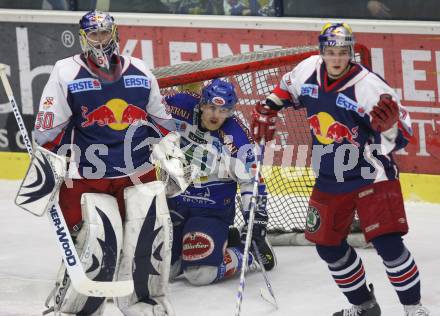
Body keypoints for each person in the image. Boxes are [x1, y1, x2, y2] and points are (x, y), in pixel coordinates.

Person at [250, 22, 430, 316]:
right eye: (330, 51)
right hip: (330, 174)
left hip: (371, 173)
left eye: (342, 52)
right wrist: (269, 108)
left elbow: (404, 134)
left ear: (350, 53)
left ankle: (414, 309)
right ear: (322, 51)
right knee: (327, 245)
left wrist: (390, 130)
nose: (336, 58)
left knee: (388, 244)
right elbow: (286, 87)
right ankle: (364, 306)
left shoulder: (371, 87)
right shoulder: (308, 69)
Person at [34, 10, 180, 316]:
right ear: (83, 37)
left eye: (105, 33)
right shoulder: (65, 72)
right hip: (87, 175)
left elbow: (163, 122)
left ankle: (143, 301)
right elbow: (47, 131)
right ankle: (75, 305)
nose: (100, 40)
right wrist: (48, 164)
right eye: (94, 34)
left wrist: (170, 153)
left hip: (137, 174)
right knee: (93, 242)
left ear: (115, 34)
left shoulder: (140, 70)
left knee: (144, 240)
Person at [164, 79, 276, 286]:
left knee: (199, 274)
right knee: (163, 272)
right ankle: (218, 242)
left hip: (210, 210)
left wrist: (256, 220)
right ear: (202, 103)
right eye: (212, 108)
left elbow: (252, 181)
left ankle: (248, 252)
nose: (216, 115)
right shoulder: (181, 104)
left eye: (223, 110)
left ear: (231, 111)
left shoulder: (237, 138)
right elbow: (150, 108)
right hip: (175, 205)